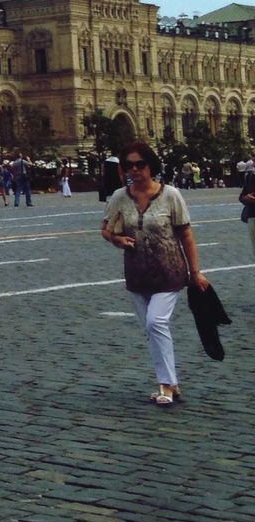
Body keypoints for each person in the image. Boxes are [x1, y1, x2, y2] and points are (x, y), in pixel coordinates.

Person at [102, 140, 209, 406]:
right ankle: (171, 382)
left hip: (169, 270)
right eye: (129, 165)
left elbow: (186, 233)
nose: (135, 170)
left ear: (151, 165)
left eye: (140, 164)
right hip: (137, 273)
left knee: (156, 322)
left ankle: (166, 385)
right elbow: (106, 228)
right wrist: (116, 240)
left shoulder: (170, 194)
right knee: (151, 330)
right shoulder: (119, 197)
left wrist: (194, 272)